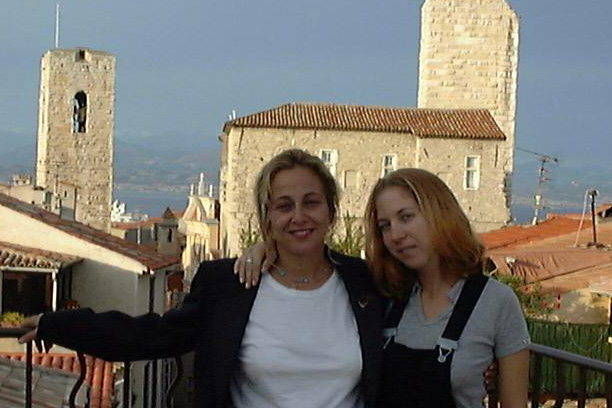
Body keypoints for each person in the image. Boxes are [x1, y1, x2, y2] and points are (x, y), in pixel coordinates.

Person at [19, 149, 383, 408]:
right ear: (266, 218)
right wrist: (63, 325)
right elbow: (152, 335)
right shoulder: (229, 285)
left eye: (311, 202)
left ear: (332, 211)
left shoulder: (365, 283)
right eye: (284, 206)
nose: (299, 216)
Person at [236, 168, 530, 408]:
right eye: (385, 226)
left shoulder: (496, 303)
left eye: (406, 217)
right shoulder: (383, 293)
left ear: (440, 213)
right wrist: (265, 247)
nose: (397, 235)